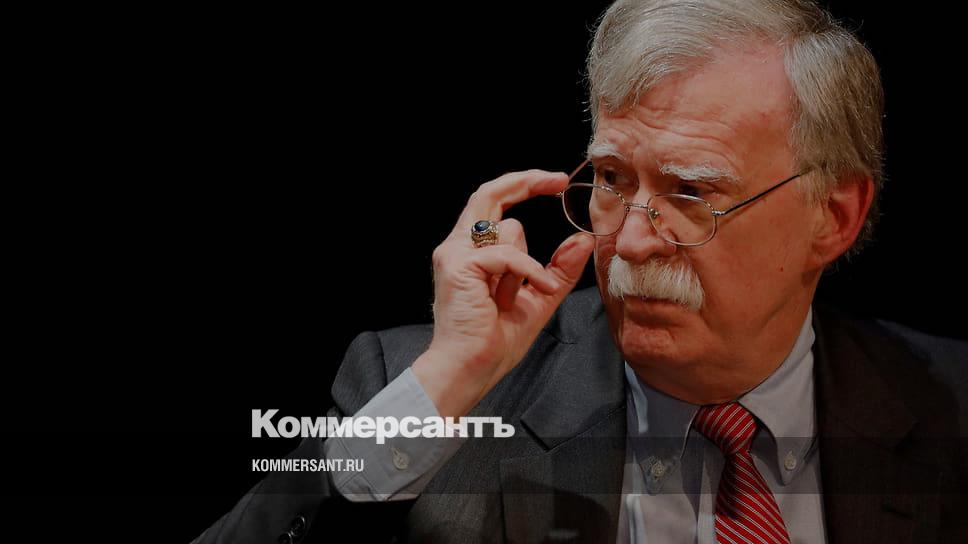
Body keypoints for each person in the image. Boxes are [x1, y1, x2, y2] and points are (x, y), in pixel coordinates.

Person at [195, 1, 967, 542]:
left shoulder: (951, 404)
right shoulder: (423, 391)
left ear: (833, 217)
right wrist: (446, 383)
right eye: (611, 180)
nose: (629, 242)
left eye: (691, 193)